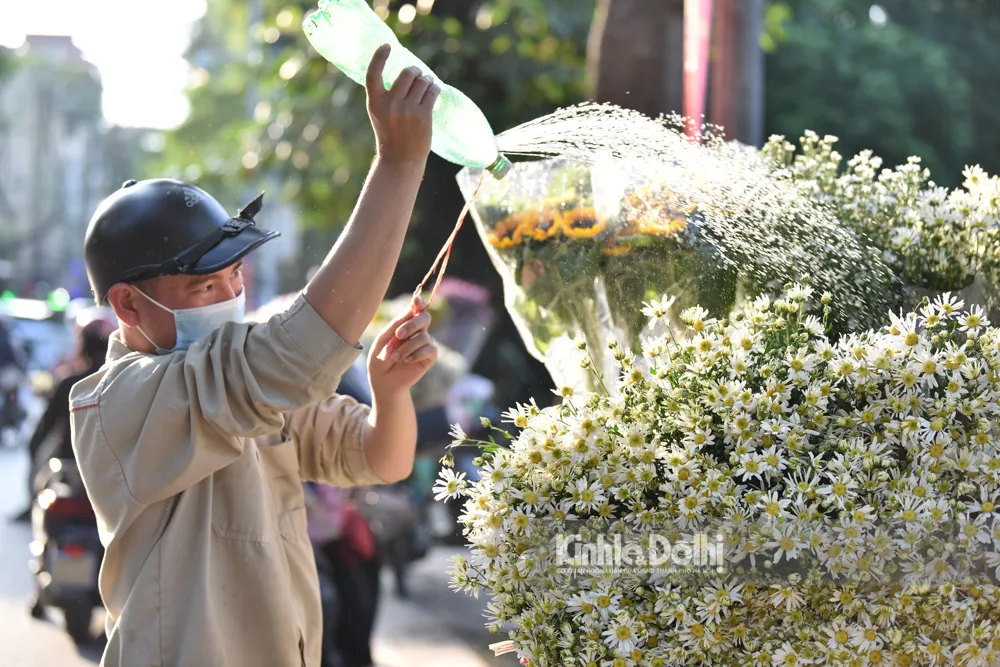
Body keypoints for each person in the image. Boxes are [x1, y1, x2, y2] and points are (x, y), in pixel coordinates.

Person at [70, 44, 441, 667]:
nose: (231, 295)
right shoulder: (115, 403)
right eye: (204, 286)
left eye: (235, 276)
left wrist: (391, 390)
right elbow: (291, 355)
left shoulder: (240, 383)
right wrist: (399, 165)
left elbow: (381, 457)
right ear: (129, 307)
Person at [11, 318, 115, 523]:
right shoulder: (125, 382)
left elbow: (43, 431)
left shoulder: (70, 383)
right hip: (112, 475)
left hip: (70, 469)